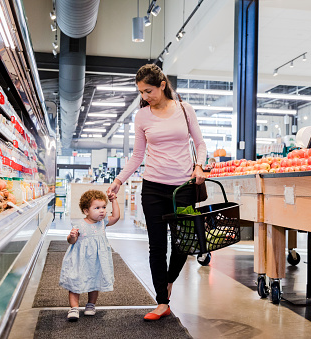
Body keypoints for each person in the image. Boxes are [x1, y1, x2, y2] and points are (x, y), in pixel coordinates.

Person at [107, 63, 206, 321]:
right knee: (157, 246)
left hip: (183, 189)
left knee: (184, 244)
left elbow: (200, 143)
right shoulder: (142, 117)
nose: (144, 97)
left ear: (162, 85)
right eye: (141, 92)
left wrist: (199, 166)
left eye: (148, 90)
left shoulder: (185, 110)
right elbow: (138, 155)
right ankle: (162, 301)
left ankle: (167, 282)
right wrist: (119, 180)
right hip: (152, 188)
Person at [59, 189, 120, 321]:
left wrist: (114, 200)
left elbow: (115, 217)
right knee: (75, 281)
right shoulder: (79, 224)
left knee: (94, 281)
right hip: (81, 260)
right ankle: (74, 307)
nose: (102, 210)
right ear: (86, 211)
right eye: (97, 208)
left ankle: (91, 305)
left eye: (104, 207)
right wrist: (72, 236)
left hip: (97, 261)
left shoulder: (102, 223)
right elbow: (71, 241)